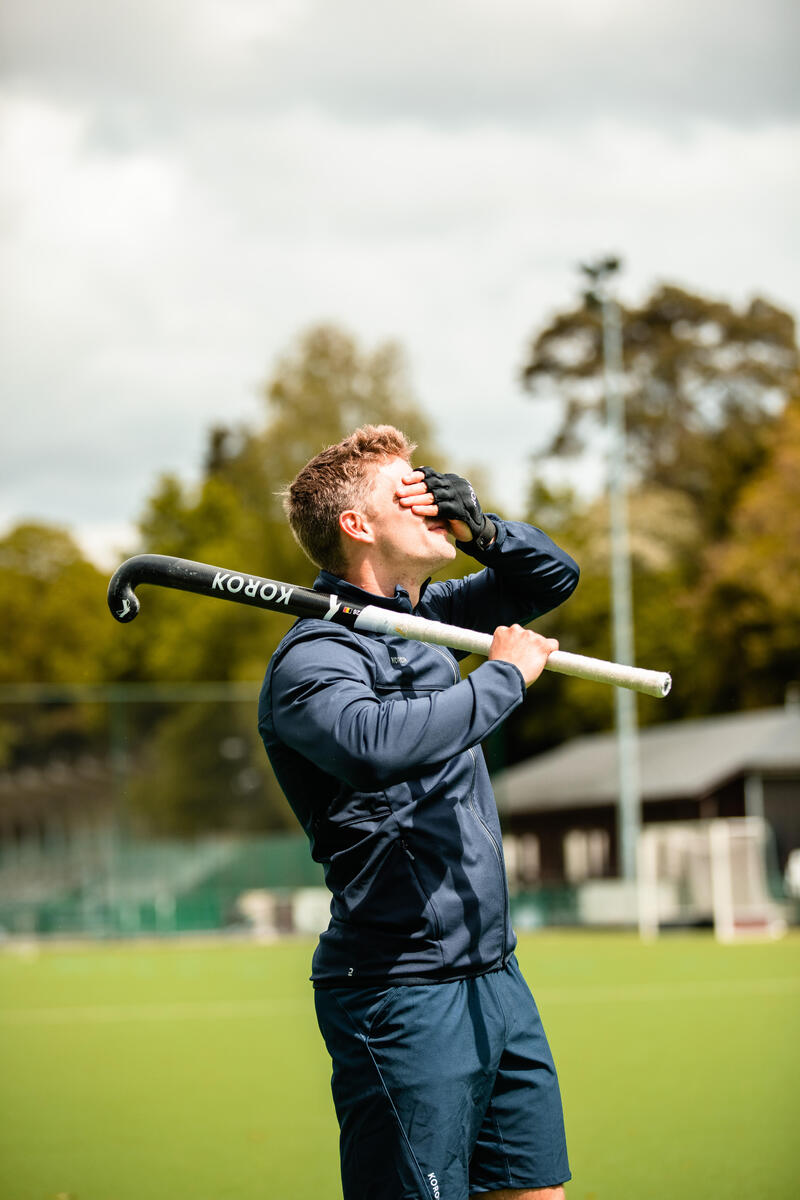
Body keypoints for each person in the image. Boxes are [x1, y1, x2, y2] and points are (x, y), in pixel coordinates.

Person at [258, 424, 580, 1200]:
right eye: (411, 493)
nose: (430, 504)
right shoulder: (312, 659)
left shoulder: (429, 623)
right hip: (400, 992)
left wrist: (485, 530)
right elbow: (375, 745)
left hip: (496, 980)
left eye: (431, 488)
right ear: (356, 526)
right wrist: (502, 679)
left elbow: (551, 579)